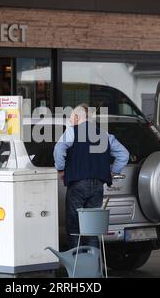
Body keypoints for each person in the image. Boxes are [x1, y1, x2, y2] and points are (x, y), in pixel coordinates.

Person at [53, 104, 130, 249]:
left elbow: (59, 148)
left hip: (77, 185)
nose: (71, 123)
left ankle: (77, 265)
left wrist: (61, 169)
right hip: (98, 186)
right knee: (92, 228)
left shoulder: (72, 132)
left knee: (75, 226)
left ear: (76, 117)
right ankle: (93, 264)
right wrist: (113, 171)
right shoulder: (104, 134)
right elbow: (124, 154)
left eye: (71, 120)